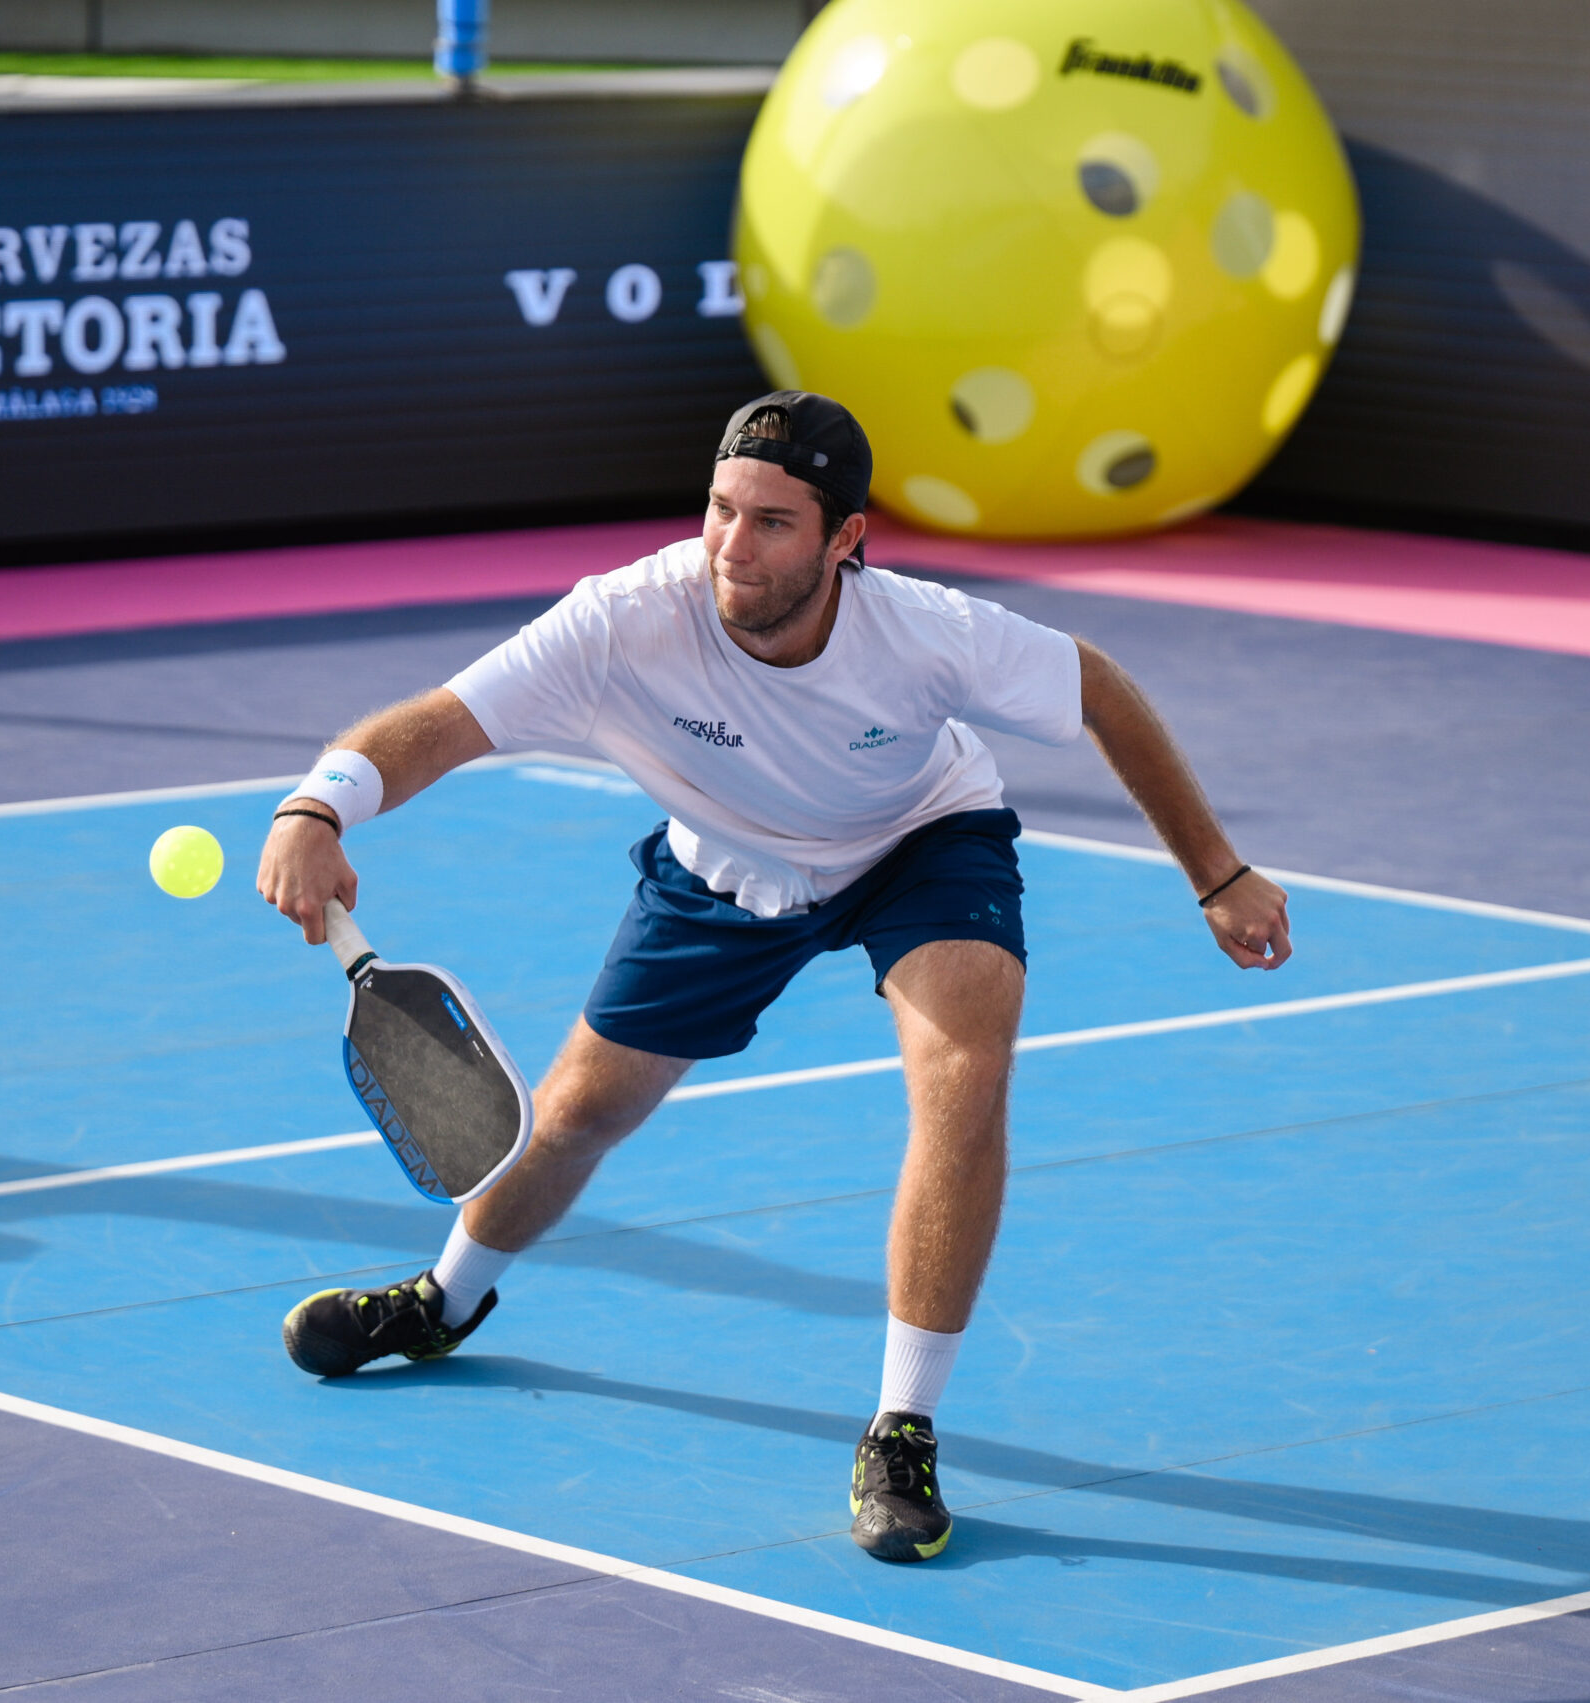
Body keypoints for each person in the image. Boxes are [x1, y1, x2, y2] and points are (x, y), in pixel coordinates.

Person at [257, 391, 1291, 1564]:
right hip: (724, 867)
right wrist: (316, 806)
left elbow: (1094, 685)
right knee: (580, 1110)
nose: (731, 546)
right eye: (720, 508)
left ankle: (902, 1428)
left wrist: (1217, 872)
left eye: (772, 521)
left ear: (846, 538)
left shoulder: (925, 632)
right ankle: (442, 1302)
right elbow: (442, 722)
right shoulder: (623, 619)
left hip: (919, 843)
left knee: (962, 1076)